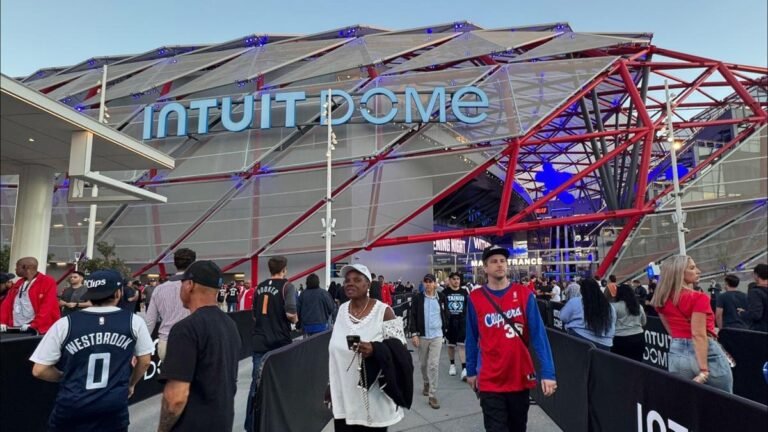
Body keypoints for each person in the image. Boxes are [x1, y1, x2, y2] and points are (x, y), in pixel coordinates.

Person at [29, 269, 153, 431]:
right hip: (113, 404)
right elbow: (144, 362)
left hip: (72, 404)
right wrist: (131, 384)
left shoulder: (65, 323)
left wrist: (64, 377)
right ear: (118, 293)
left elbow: (39, 370)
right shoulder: (134, 321)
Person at [466, 246, 557, 432]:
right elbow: (471, 337)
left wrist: (548, 372)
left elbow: (539, 335)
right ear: (485, 268)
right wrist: (471, 370)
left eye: (502, 261)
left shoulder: (524, 295)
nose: (499, 264)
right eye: (494, 261)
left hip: (519, 376)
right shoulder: (475, 298)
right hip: (490, 379)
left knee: (518, 428)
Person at [157, 261, 241, 432]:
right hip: (222, 422)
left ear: (190, 285)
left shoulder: (185, 329)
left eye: (181, 283)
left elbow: (175, 399)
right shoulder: (230, 325)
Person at [328, 263, 408, 431]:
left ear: (368, 285)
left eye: (357, 280)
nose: (350, 283)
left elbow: (401, 352)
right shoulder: (342, 310)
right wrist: (330, 385)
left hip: (373, 402)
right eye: (347, 280)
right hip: (344, 399)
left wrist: (375, 349)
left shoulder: (384, 312)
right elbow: (335, 352)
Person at [650, 255, 733, 393]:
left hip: (677, 352)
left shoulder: (661, 299)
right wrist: (704, 371)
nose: (698, 271)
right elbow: (698, 335)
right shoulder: (698, 298)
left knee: (686, 403)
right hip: (706, 353)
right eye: (692, 268)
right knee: (724, 405)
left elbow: (670, 330)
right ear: (679, 272)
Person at [245, 256, 298, 432]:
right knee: (280, 384)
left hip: (260, 341)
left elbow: (253, 315)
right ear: (284, 269)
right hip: (280, 341)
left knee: (256, 386)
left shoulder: (260, 287)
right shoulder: (287, 286)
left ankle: (251, 425)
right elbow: (291, 312)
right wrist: (295, 319)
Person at [143, 248, 195, 361]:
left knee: (169, 378)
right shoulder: (197, 287)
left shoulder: (159, 289)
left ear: (175, 263)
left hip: (166, 342)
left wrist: (141, 350)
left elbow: (150, 322)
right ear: (193, 264)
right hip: (192, 341)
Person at [409, 273, 448, 409]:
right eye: (426, 282)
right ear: (423, 284)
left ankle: (432, 394)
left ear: (435, 283)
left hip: (437, 335)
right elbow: (412, 316)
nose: (428, 284)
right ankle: (426, 382)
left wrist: (445, 330)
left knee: (433, 365)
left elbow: (445, 314)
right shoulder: (418, 298)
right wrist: (414, 334)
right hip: (423, 335)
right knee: (423, 364)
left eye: (430, 282)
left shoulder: (441, 297)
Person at [0, 257, 60, 334]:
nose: (15, 269)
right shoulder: (19, 282)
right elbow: (7, 304)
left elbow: (47, 306)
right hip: (15, 327)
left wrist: (34, 324)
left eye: (17, 266)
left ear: (25, 267)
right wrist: (2, 321)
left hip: (37, 329)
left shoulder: (47, 281)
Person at [560, 278, 616, 350]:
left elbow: (562, 317)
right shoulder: (610, 307)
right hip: (605, 344)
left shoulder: (575, 302)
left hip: (580, 339)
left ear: (581, 290)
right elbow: (612, 323)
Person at [443, 271, 469, 380]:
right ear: (450, 280)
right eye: (454, 279)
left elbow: (468, 306)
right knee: (451, 345)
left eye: (458, 279)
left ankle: (464, 368)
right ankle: (452, 365)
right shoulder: (445, 292)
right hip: (450, 322)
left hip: (461, 321)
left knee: (461, 345)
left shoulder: (464, 292)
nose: (456, 281)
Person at [612, 283, 646, 362]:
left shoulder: (614, 306)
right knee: (637, 365)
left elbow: (610, 323)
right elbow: (643, 322)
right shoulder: (639, 306)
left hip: (620, 339)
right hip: (638, 337)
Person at [738, 264, 768, 332]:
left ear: (756, 275)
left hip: (761, 333)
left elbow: (756, 315)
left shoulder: (755, 292)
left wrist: (742, 313)